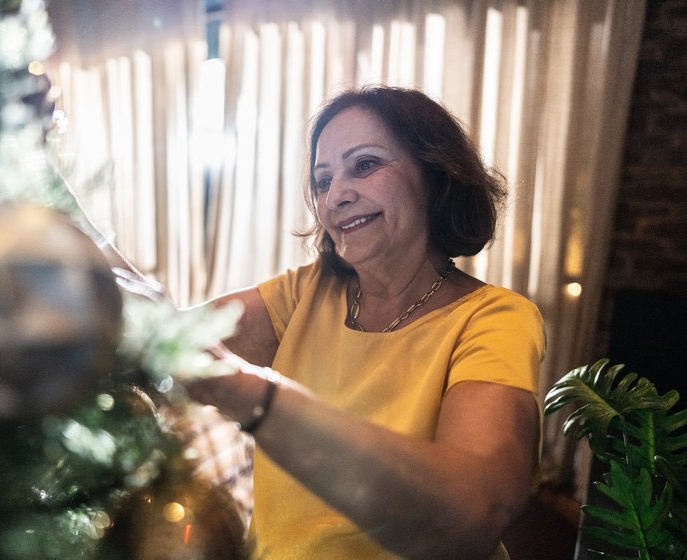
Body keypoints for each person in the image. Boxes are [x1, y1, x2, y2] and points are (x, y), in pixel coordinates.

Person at [115, 86, 545, 560]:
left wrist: (253, 396)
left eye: (364, 165)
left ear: (435, 174)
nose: (336, 196)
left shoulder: (493, 318)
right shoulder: (307, 292)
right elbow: (160, 337)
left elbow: (473, 515)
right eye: (323, 181)